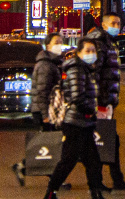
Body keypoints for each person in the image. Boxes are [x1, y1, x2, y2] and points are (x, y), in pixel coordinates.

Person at [42, 39, 105, 199]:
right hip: (76, 122)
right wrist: (91, 110)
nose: (92, 54)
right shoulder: (77, 69)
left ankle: (95, 192)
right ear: (79, 53)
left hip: (84, 122)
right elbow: (77, 96)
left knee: (93, 162)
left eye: (93, 51)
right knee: (68, 161)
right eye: (88, 51)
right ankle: (51, 192)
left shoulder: (86, 69)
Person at [83, 14, 125, 191]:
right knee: (102, 140)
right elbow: (94, 72)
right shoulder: (100, 42)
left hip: (106, 102)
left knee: (107, 139)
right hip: (101, 102)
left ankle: (113, 180)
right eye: (113, 23)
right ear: (104, 25)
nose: (117, 26)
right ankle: (100, 182)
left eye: (119, 23)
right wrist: (97, 100)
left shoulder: (108, 41)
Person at [13, 32, 68, 185]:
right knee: (51, 143)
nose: (59, 44)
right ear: (48, 45)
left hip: (49, 110)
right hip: (45, 110)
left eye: (61, 42)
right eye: (56, 42)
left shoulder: (51, 63)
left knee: (49, 143)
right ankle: (27, 168)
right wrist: (45, 114)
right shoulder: (45, 65)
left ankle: (23, 167)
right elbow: (42, 91)